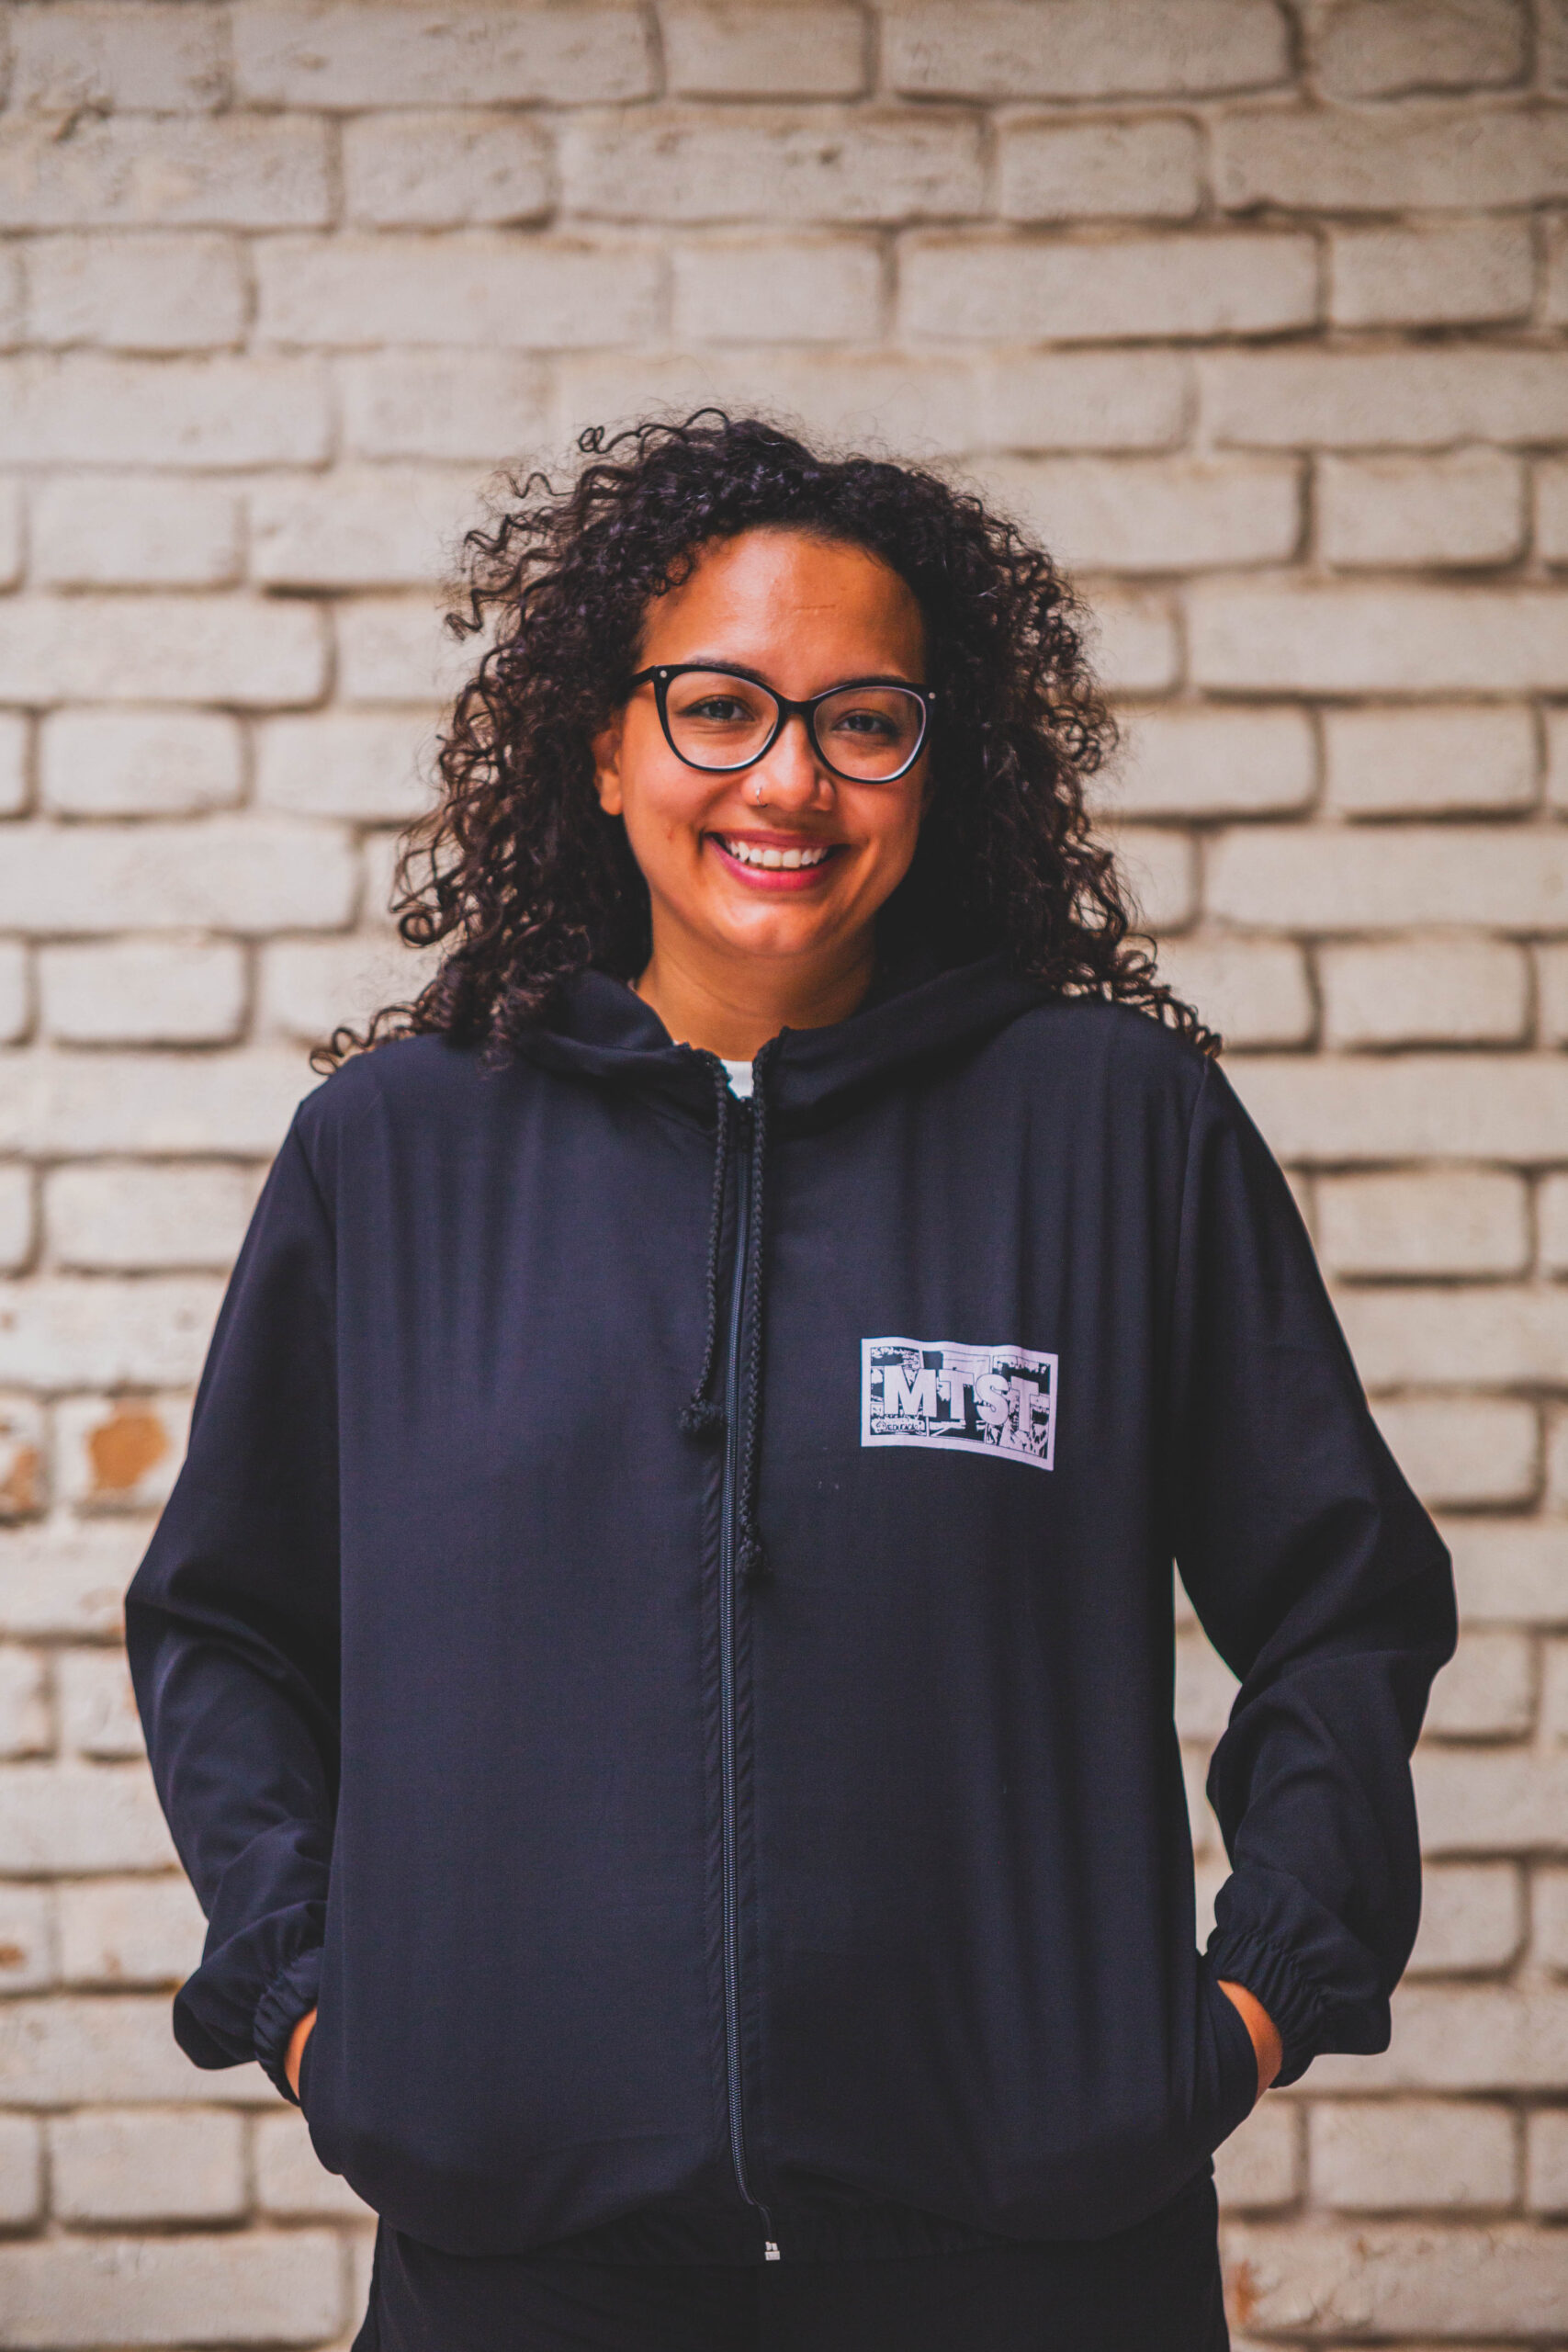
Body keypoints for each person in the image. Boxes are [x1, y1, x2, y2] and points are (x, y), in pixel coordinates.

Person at [127, 413, 1457, 2352]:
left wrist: (1251, 1999)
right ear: (604, 743)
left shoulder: (1116, 1131)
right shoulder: (395, 1154)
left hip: (1036, 2266)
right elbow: (225, 1625)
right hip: (524, 2279)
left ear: (937, 760)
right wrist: (329, 2018)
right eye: (720, 705)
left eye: (862, 721)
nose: (789, 778)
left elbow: (1343, 1601)